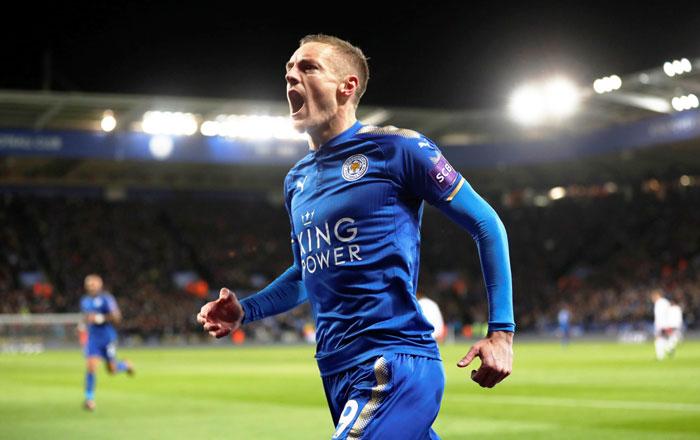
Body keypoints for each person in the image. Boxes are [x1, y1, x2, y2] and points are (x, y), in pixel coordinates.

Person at [197, 34, 514, 439]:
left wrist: (501, 333)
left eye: (308, 68)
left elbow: (487, 224)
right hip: (335, 370)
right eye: (289, 70)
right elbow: (305, 273)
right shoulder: (297, 180)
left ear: (347, 86)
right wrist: (247, 311)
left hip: (393, 362)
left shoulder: (398, 149)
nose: (292, 77)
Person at [80, 274, 133, 411]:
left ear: (100, 285)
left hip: (108, 338)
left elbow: (117, 317)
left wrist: (101, 317)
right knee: (91, 366)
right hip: (93, 339)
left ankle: (126, 365)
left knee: (112, 369)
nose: (91, 287)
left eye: (93, 284)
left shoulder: (106, 299)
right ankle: (89, 399)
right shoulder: (85, 301)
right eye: (89, 285)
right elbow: (87, 317)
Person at [650, 289, 672, 361]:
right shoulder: (666, 302)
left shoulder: (658, 303)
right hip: (666, 324)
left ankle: (661, 355)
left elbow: (658, 315)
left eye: (653, 297)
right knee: (663, 339)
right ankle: (668, 349)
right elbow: (669, 312)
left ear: (657, 295)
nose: (652, 299)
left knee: (658, 339)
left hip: (660, 324)